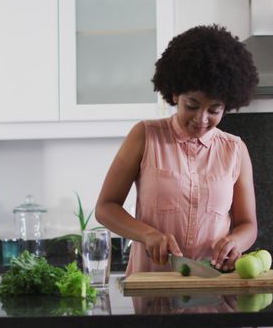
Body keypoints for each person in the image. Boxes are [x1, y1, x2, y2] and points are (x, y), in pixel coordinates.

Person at [95, 25, 259, 275]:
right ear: (175, 94)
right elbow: (105, 207)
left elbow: (248, 224)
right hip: (153, 288)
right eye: (192, 105)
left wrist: (235, 243)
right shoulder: (145, 136)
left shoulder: (235, 150)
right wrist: (147, 234)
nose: (201, 119)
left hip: (213, 292)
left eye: (214, 110)